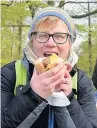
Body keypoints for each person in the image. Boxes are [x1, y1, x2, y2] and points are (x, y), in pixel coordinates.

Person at [1, 7, 97, 128]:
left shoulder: (81, 81)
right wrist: (33, 95)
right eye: (42, 35)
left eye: (60, 36)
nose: (50, 43)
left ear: (70, 44)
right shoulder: (8, 74)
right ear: (32, 42)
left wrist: (67, 98)